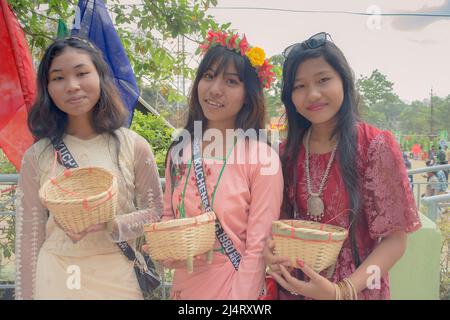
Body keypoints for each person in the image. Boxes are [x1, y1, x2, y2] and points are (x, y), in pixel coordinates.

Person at [263, 32, 422, 300]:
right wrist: (271, 251)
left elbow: (396, 242)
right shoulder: (286, 154)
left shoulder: (375, 146)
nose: (312, 94)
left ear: (344, 82)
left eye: (323, 80)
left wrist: (343, 290)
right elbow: (279, 226)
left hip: (357, 291)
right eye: (299, 86)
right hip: (294, 290)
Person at [15, 37, 163, 300]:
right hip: (57, 275)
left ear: (101, 77)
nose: (72, 86)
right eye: (58, 78)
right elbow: (29, 238)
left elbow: (156, 213)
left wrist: (113, 224)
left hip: (119, 276)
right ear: (47, 87)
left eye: (82, 73)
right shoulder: (37, 156)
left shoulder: (133, 146)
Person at [159, 30, 283, 299]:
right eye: (209, 76)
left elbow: (257, 248)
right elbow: (169, 217)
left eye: (231, 81)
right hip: (184, 287)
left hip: (234, 288)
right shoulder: (180, 151)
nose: (215, 89)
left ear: (248, 94)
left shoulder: (262, 159)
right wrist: (166, 250)